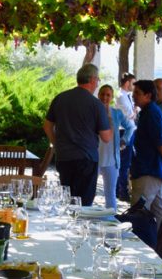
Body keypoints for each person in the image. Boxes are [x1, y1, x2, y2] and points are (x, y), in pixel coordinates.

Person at [43, 63, 112, 206]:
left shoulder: (60, 98)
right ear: (92, 80)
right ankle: (79, 228)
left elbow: (47, 125)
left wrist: (56, 144)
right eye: (97, 80)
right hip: (86, 159)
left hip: (64, 157)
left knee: (66, 200)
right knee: (83, 204)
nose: (97, 83)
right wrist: (110, 121)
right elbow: (106, 137)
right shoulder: (96, 104)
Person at [129, 79, 162, 224]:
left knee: (138, 211)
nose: (133, 96)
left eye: (137, 93)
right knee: (157, 211)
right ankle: (161, 243)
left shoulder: (152, 114)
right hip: (152, 169)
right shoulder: (148, 112)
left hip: (149, 170)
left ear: (148, 95)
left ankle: (139, 242)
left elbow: (161, 141)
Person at [96, 84, 135, 211]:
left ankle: (111, 222)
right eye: (102, 94)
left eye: (108, 95)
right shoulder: (93, 111)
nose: (105, 97)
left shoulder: (117, 113)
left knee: (110, 194)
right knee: (89, 192)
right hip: (94, 158)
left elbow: (131, 127)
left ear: (112, 97)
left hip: (112, 159)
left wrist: (125, 140)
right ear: (98, 95)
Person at [116, 73, 137, 201]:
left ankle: (121, 190)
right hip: (125, 132)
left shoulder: (126, 96)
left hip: (128, 131)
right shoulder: (121, 97)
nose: (134, 86)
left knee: (126, 162)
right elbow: (129, 116)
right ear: (127, 83)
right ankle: (121, 191)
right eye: (133, 83)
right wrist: (136, 110)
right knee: (124, 163)